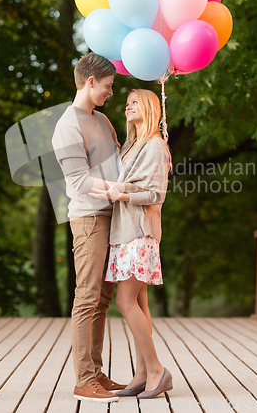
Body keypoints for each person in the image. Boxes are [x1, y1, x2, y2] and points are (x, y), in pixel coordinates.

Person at [52, 52, 139, 403]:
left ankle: (97, 373)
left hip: (112, 216)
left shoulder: (102, 121)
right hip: (89, 219)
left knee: (102, 300)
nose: (111, 92)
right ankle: (83, 380)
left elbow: (119, 162)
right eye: (108, 86)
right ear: (90, 82)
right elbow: (77, 181)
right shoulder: (66, 127)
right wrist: (117, 191)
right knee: (87, 297)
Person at [89, 88, 173, 399]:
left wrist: (119, 194)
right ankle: (141, 373)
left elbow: (155, 194)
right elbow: (126, 182)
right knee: (139, 303)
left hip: (140, 233)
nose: (128, 106)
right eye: (126, 103)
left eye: (134, 102)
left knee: (125, 301)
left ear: (151, 107)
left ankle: (156, 370)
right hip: (124, 234)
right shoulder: (132, 146)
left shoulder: (154, 146)